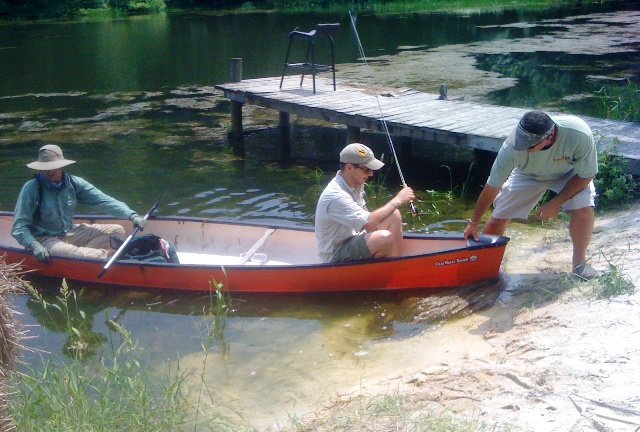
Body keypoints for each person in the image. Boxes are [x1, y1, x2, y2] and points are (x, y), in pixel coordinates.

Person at [463, 111, 599, 279]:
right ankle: (483, 266)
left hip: (569, 174)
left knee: (584, 207)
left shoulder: (578, 134)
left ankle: (579, 264)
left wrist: (556, 203)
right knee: (498, 216)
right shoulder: (511, 147)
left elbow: (587, 175)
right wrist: (473, 222)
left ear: (549, 138)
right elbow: (492, 186)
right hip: (527, 174)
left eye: (529, 146)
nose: (522, 147)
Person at [12, 144, 148, 263]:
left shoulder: (74, 183)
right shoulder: (31, 188)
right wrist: (35, 246)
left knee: (118, 230)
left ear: (61, 166)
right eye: (45, 168)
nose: (49, 171)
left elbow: (104, 201)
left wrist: (132, 215)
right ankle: (101, 256)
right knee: (92, 256)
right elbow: (18, 227)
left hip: (70, 232)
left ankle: (81, 254)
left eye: (53, 167)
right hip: (44, 239)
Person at [315, 143, 416, 263]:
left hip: (354, 237)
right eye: (366, 169)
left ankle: (393, 264)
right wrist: (397, 200)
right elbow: (368, 223)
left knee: (394, 215)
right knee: (384, 238)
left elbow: (365, 212)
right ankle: (379, 273)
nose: (371, 174)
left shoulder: (356, 182)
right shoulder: (336, 196)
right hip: (335, 253)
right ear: (349, 168)